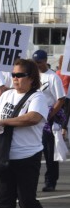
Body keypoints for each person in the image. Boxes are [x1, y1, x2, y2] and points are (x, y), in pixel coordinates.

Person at [0, 58, 54, 208]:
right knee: (5, 201)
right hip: (5, 155)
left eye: (19, 75)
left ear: (31, 78)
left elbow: (32, 118)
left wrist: (4, 122)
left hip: (27, 156)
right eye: (13, 75)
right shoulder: (7, 94)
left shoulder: (38, 97)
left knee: (26, 201)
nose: (15, 79)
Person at [32, 50, 66, 192]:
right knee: (34, 151)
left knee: (49, 151)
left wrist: (49, 115)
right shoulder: (33, 76)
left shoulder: (53, 77)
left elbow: (61, 99)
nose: (37, 65)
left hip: (48, 119)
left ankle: (50, 180)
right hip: (35, 117)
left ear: (45, 61)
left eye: (39, 62)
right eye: (35, 63)